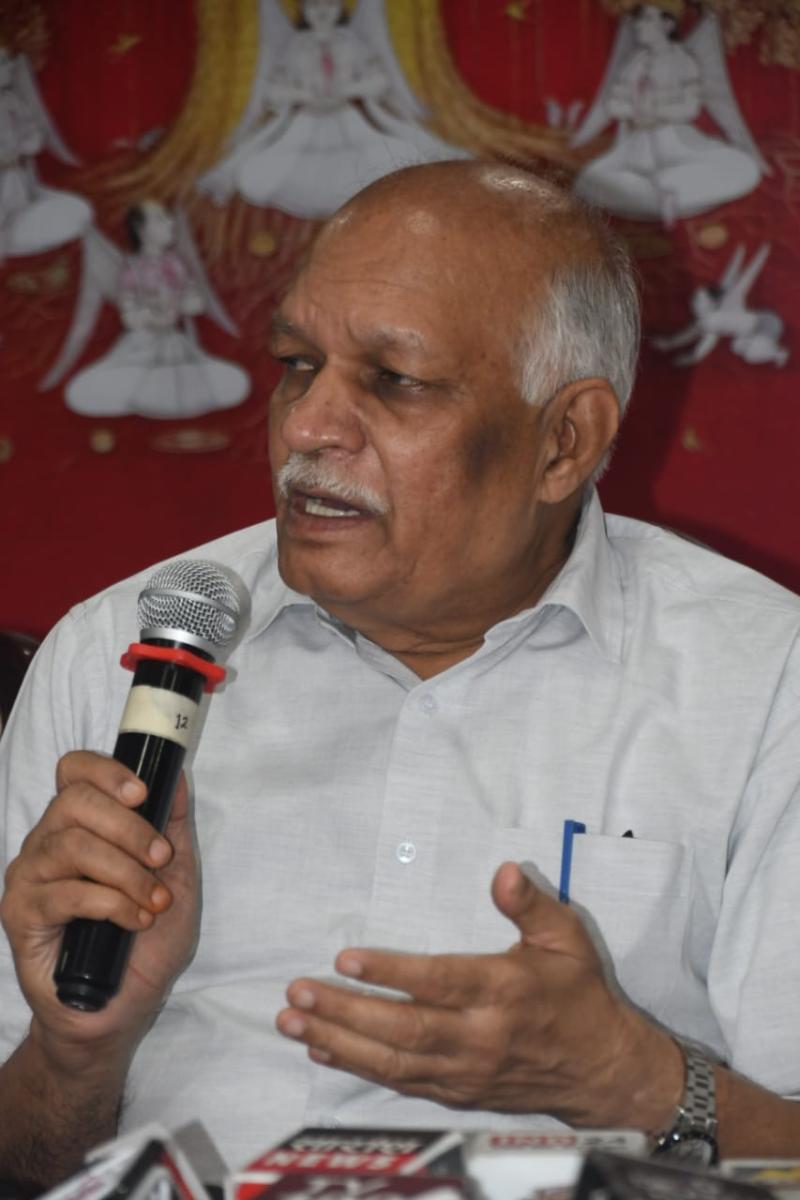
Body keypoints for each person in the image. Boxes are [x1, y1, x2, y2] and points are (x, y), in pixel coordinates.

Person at [1, 160, 800, 1190]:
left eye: (393, 381)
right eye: (298, 364)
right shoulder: (116, 657)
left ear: (564, 441)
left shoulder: (763, 680)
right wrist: (80, 1047)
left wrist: (631, 1079)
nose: (305, 428)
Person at [196, 0, 468, 219]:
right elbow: (274, 89)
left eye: (329, 4)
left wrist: (350, 88)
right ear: (304, 10)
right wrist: (301, 94)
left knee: (391, 157)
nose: (322, 11)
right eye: (314, 5)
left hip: (348, 119)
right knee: (256, 174)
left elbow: (378, 80)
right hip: (305, 122)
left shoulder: (350, 42)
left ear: (340, 8)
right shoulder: (296, 46)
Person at [570, 3, 766, 226]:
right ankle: (656, 192)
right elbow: (615, 103)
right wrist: (636, 110)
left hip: (674, 136)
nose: (639, 25)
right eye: (639, 20)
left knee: (741, 167)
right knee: (590, 181)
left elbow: (690, 107)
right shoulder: (636, 62)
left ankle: (670, 187)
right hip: (638, 141)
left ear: (667, 24)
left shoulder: (682, 61)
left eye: (647, 19)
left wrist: (655, 109)